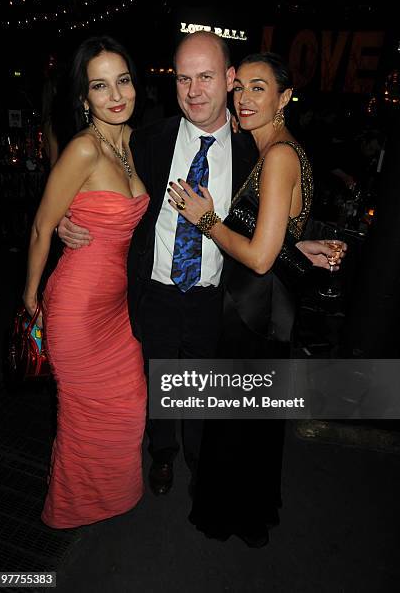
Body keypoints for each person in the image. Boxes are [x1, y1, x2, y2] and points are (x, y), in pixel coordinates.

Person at [58, 32, 344, 499]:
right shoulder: (147, 141)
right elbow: (97, 191)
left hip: (219, 298)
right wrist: (64, 223)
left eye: (206, 77)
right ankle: (163, 455)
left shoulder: (255, 148)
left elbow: (263, 224)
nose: (194, 91)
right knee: (158, 385)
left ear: (230, 79)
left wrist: (301, 244)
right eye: (184, 79)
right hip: (156, 290)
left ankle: (199, 462)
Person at [167, 52, 332, 547]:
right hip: (265, 308)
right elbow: (275, 238)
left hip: (254, 310)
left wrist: (206, 221)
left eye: (260, 88)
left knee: (238, 422)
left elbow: (259, 256)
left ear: (284, 98)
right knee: (249, 420)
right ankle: (248, 513)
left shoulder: (278, 156)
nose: (244, 98)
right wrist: (299, 247)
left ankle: (232, 515)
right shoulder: (276, 150)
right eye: (242, 87)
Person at [23, 36, 149, 528]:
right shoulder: (82, 149)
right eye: (100, 85)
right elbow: (40, 225)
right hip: (75, 308)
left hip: (118, 311)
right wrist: (30, 298)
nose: (115, 94)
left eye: (123, 80)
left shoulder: (136, 143)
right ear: (84, 96)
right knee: (81, 419)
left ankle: (107, 497)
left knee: (129, 407)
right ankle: (72, 509)